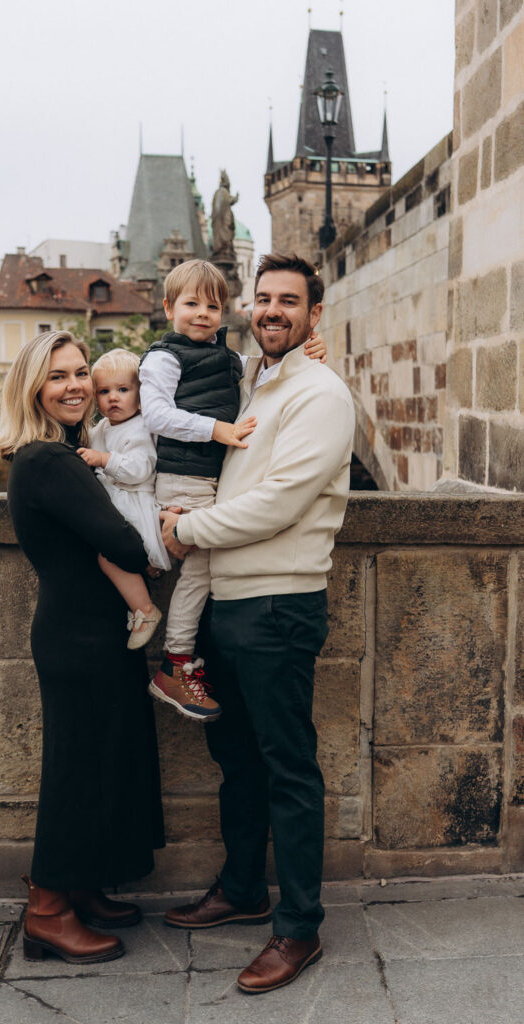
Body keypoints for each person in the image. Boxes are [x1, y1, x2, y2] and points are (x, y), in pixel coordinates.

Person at [159, 253, 355, 995]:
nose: (272, 311)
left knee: (286, 765)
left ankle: (298, 926)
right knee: (236, 759)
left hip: (277, 603)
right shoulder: (257, 379)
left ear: (312, 313)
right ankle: (242, 887)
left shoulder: (321, 393)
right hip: (226, 602)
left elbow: (278, 502)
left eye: (289, 302)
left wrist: (188, 531)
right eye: (264, 299)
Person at [0, 331, 164, 965]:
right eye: (58, 375)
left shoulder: (68, 452)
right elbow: (119, 543)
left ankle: (84, 887)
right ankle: (46, 910)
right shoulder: (48, 460)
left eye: (81, 371)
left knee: (101, 763)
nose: (75, 385)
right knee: (74, 771)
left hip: (93, 630)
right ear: (33, 388)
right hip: (79, 636)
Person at [139, 259, 327, 724]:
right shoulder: (164, 356)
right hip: (185, 479)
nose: (202, 314)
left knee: (192, 565)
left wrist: (310, 351)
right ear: (168, 308)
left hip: (204, 488)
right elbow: (155, 415)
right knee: (198, 570)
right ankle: (176, 661)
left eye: (213, 306)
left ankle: (175, 648)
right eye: (191, 304)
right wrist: (217, 430)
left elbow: (264, 368)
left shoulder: (228, 359)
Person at [77, 348, 169, 651]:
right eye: (104, 391)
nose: (112, 398)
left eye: (123, 390)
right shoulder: (101, 428)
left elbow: (141, 468)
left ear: (141, 395)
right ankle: (144, 567)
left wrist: (104, 459)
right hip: (117, 503)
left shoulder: (142, 426)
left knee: (109, 556)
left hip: (134, 503)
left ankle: (145, 610)